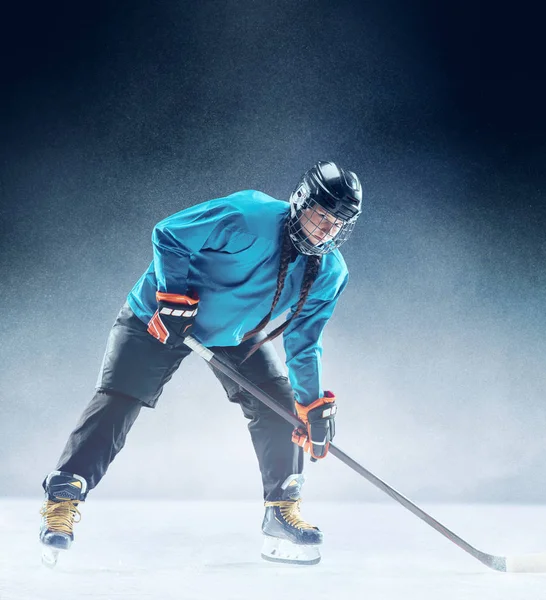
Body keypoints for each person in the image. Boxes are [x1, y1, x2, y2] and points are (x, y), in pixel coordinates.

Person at [39, 161, 363, 566]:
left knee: (281, 407)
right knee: (120, 399)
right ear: (301, 202)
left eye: (337, 223)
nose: (326, 230)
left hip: (233, 334)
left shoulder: (330, 272)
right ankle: (63, 500)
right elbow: (170, 232)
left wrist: (311, 403)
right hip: (159, 318)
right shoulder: (247, 217)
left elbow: (304, 338)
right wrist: (173, 295)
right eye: (321, 216)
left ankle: (281, 511)